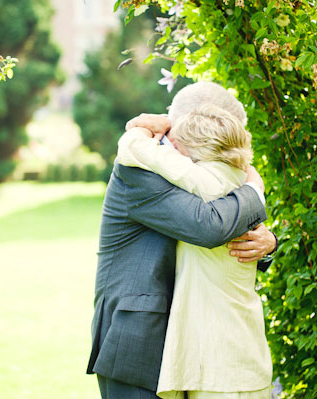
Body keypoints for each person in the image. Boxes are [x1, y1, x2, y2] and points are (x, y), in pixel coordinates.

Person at [87, 82, 277, 399]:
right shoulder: (141, 169)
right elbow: (208, 226)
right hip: (140, 340)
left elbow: (229, 225)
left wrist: (268, 243)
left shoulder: (198, 169)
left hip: (192, 344)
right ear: (192, 128)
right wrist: (254, 191)